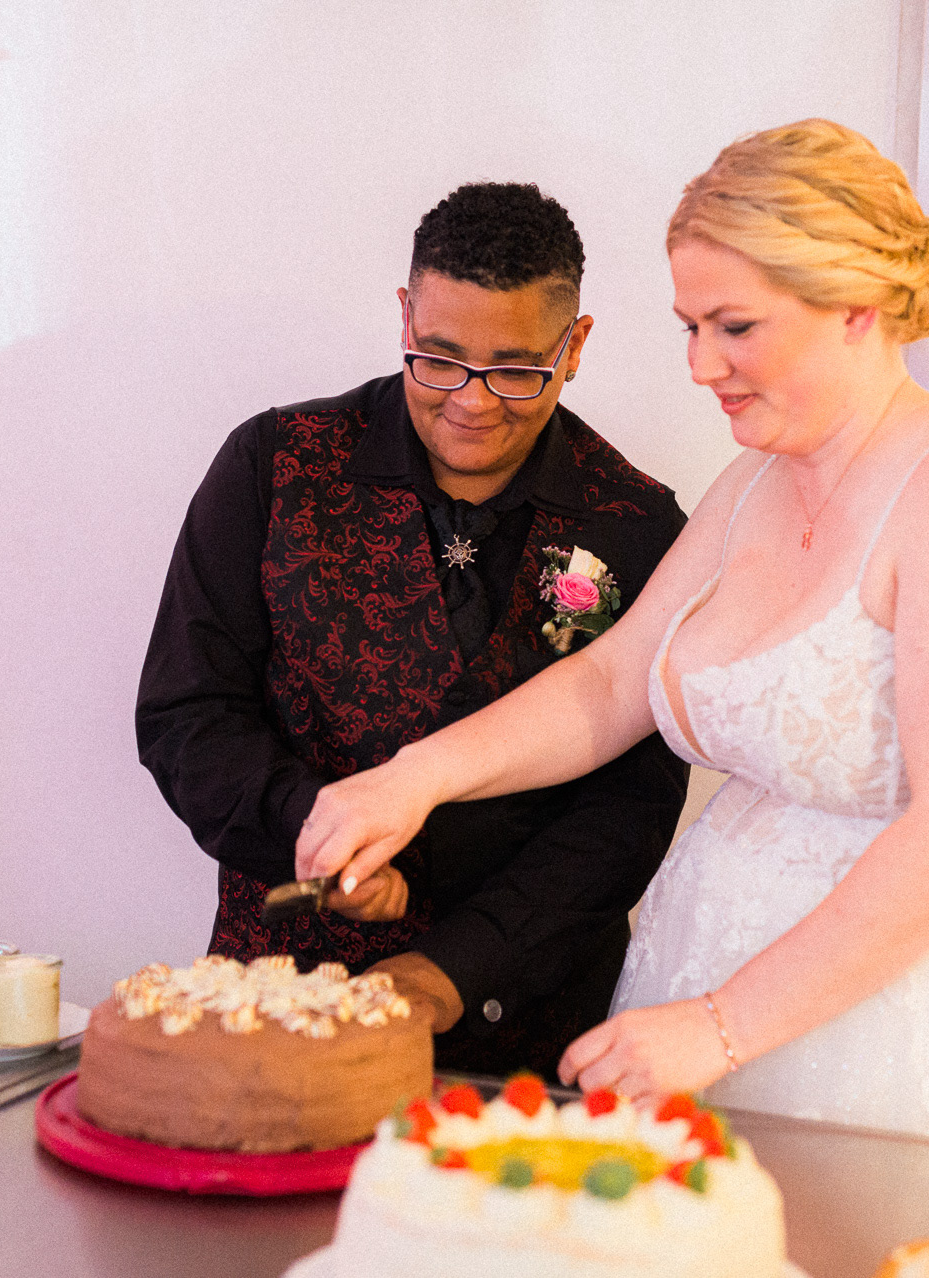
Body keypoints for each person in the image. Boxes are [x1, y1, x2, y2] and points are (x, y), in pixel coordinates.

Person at [296, 121, 929, 1167]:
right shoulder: (752, 484)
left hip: (908, 1019)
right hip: (700, 969)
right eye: (691, 326)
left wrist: (723, 1025)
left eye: (735, 327)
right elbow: (611, 683)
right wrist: (412, 779)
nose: (700, 365)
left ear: (855, 305)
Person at [137, 182, 690, 1077]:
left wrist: (455, 967)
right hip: (287, 993)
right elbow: (187, 714)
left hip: (531, 1011)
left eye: (515, 370)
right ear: (405, 317)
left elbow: (634, 803)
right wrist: (319, 832)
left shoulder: (638, 522)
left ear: (576, 345)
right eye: (439, 360)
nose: (471, 401)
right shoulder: (271, 465)